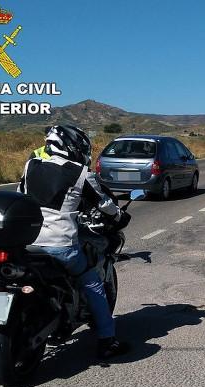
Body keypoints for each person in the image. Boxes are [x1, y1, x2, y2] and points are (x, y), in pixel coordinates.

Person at [18, 125, 130, 359]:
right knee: (92, 283)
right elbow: (104, 203)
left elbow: (21, 193)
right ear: (73, 147)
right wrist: (119, 216)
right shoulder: (80, 173)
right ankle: (107, 341)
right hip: (60, 244)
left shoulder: (31, 165)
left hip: (26, 242)